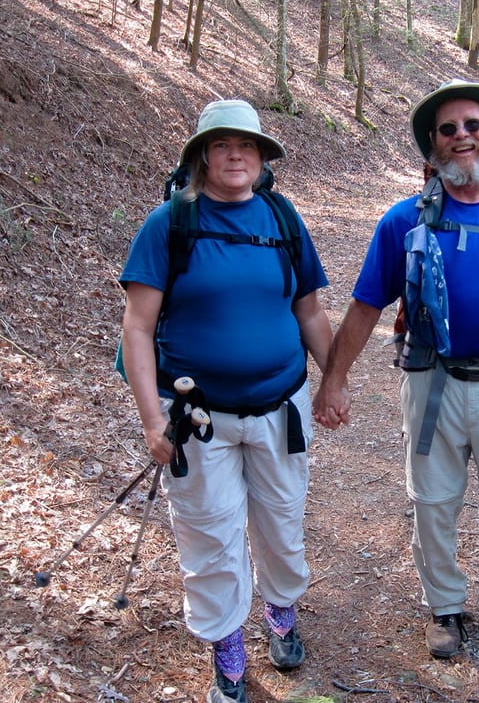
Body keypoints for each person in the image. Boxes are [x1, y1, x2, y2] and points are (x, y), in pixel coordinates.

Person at [313, 79, 479, 658]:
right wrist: (335, 377)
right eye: (448, 129)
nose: (462, 136)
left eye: (472, 125)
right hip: (431, 380)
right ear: (433, 145)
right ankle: (446, 609)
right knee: (433, 501)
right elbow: (365, 305)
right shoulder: (403, 221)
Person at [119, 99, 333, 703]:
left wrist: (334, 379)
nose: (235, 154)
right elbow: (137, 328)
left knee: (283, 525)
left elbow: (310, 312)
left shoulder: (283, 220)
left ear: (263, 158)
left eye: (247, 145)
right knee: (209, 534)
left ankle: (281, 610)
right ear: (201, 158)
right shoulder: (169, 224)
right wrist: (151, 418)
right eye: (221, 145)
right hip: (196, 419)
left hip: (280, 408)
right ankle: (227, 645)